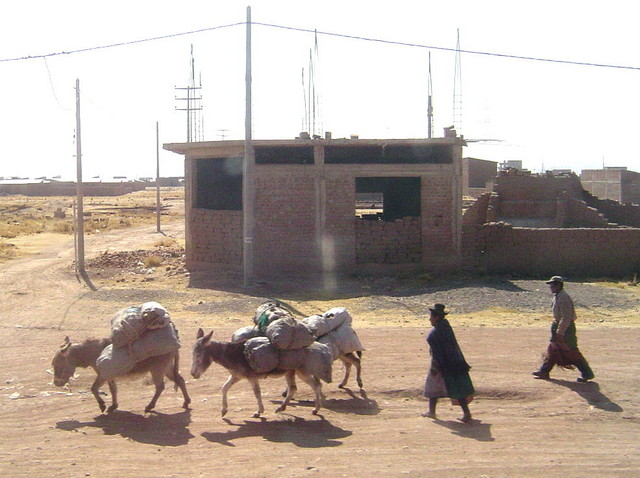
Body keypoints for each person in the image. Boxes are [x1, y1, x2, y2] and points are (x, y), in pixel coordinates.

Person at [532, 276, 595, 382]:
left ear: (558, 285)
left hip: (566, 328)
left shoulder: (564, 297)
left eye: (553, 285)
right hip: (558, 326)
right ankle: (544, 371)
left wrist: (560, 332)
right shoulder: (558, 296)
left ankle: (587, 373)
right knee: (552, 350)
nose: (551, 287)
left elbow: (567, 317)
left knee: (571, 351)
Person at [422, 303, 474, 422]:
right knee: (456, 387)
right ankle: (466, 414)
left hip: (443, 364)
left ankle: (433, 412)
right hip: (453, 363)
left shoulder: (437, 332)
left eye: (431, 316)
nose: (430, 319)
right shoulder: (445, 327)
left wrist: (436, 365)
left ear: (436, 317)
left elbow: (438, 350)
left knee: (441, 386)